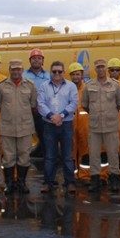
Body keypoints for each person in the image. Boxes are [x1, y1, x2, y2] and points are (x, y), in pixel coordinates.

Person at [81, 58, 120, 193]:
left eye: (102, 67)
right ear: (95, 69)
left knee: (113, 153)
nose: (100, 69)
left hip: (111, 125)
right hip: (95, 126)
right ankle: (95, 180)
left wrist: (109, 113)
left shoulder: (115, 85)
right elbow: (85, 105)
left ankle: (114, 179)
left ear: (106, 69)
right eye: (98, 67)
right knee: (94, 154)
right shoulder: (88, 86)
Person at [0, 59, 38, 194]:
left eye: (18, 69)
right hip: (7, 128)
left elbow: (33, 105)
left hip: (25, 127)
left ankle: (21, 182)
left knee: (24, 156)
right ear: (9, 70)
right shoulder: (1, 86)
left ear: (22, 70)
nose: (16, 72)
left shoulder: (30, 86)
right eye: (13, 69)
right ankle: (9, 183)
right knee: (8, 157)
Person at [38, 60, 77, 195]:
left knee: (67, 155)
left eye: (59, 71)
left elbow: (73, 103)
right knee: (50, 156)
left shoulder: (71, 86)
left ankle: (70, 182)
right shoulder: (44, 86)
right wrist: (52, 117)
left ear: (64, 72)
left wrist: (60, 116)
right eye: (54, 71)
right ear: (50, 72)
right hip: (49, 124)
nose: (57, 74)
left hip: (66, 124)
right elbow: (41, 104)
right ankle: (48, 183)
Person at [68, 62, 91, 188]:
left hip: (85, 124)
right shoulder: (67, 89)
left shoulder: (87, 89)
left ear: (82, 75)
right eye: (73, 74)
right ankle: (72, 176)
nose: (75, 77)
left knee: (85, 150)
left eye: (77, 74)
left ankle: (85, 176)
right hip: (71, 124)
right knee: (72, 151)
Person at [23, 48, 48, 157]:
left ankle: (46, 159)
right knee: (25, 137)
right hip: (27, 112)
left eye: (39, 58)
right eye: (33, 58)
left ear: (42, 61)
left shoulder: (48, 76)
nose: (36, 60)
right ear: (30, 61)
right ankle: (24, 160)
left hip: (42, 112)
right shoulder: (23, 75)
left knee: (44, 137)